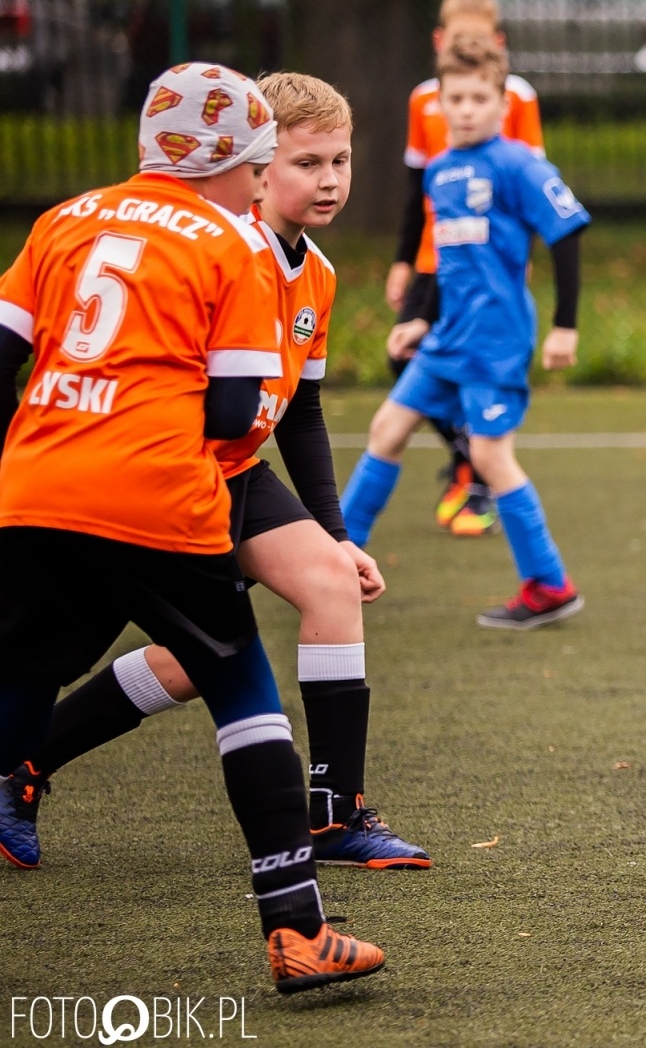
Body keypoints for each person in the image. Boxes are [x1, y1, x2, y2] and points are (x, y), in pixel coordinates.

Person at [0, 63, 385, 992]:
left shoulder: (63, 218)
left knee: (21, 666)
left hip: (38, 480)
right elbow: (236, 410)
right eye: (271, 164)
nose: (273, 182)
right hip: (165, 486)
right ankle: (296, 926)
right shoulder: (231, 245)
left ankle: (21, 775)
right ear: (241, 163)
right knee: (241, 689)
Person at [341, 35, 588, 631]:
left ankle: (550, 584)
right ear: (439, 103)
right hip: (447, 336)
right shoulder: (441, 171)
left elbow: (567, 233)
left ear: (503, 103)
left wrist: (565, 326)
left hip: (496, 341)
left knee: (488, 456)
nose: (468, 108)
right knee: (387, 429)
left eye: (480, 97)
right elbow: (447, 261)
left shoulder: (519, 165)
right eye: (457, 97)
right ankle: (331, 559)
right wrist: (421, 318)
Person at [387, 0, 548, 538]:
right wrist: (402, 261)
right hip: (435, 257)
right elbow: (417, 192)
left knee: (475, 366)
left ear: (497, 44)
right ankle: (469, 458)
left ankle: (480, 474)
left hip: (484, 261)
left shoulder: (516, 98)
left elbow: (525, 182)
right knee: (403, 362)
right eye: (458, 39)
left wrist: (518, 255)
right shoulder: (423, 99)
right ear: (440, 41)